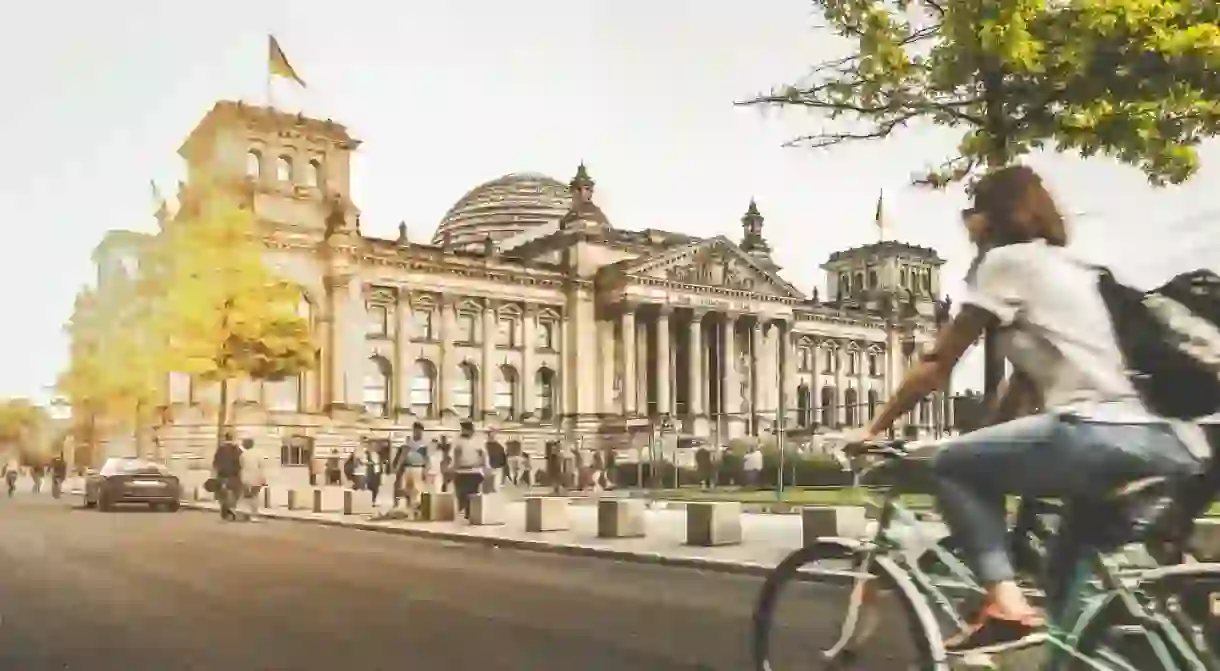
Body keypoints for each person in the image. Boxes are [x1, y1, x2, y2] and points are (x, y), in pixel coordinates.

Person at [847, 165, 1200, 653]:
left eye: (971, 211)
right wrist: (987, 442)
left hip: (1096, 433)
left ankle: (1006, 605)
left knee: (949, 468)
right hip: (1167, 438)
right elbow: (1022, 387)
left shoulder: (1005, 263)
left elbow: (935, 363)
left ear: (993, 216)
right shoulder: (1078, 271)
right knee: (1066, 589)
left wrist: (875, 428)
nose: (965, 223)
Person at [450, 421, 487, 520]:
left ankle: (470, 513)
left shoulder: (477, 441)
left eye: (465, 430)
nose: (464, 432)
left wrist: (482, 466)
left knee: (471, 494)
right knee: (463, 494)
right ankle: (465, 512)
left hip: (474, 471)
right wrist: (455, 469)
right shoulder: (459, 441)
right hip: (463, 471)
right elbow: (456, 455)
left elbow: (483, 456)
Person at [212, 432, 243, 522]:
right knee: (234, 494)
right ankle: (231, 510)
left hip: (222, 475)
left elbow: (215, 463)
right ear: (232, 438)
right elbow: (240, 462)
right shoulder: (236, 449)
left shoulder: (220, 449)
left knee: (222, 495)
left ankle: (225, 512)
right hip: (233, 476)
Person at [238, 438, 266, 522]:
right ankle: (254, 514)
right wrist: (263, 478)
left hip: (245, 478)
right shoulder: (259, 454)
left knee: (245, 496)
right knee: (255, 496)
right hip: (256, 477)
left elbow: (241, 466)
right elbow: (262, 466)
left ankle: (246, 513)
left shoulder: (243, 455)